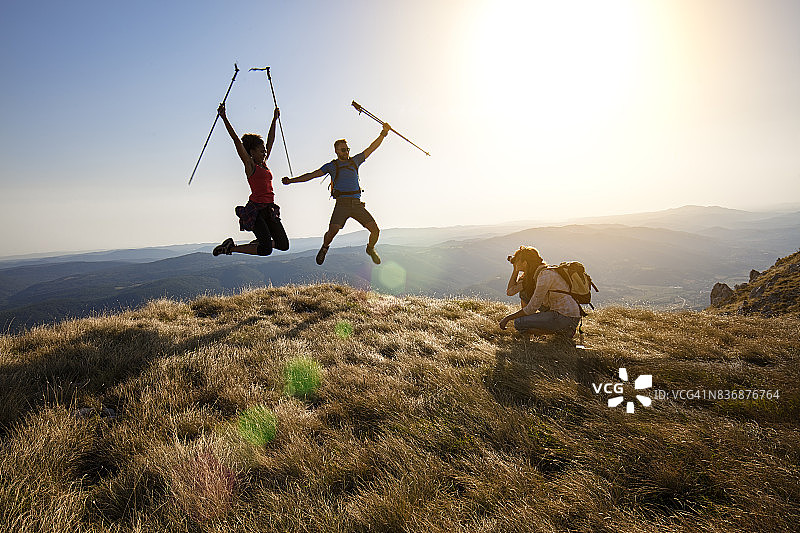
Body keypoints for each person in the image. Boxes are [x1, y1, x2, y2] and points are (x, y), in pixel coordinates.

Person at [282, 122, 392, 265]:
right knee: (332, 232)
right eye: (343, 150)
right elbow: (312, 175)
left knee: (375, 231)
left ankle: (370, 249)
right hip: (342, 205)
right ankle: (324, 247)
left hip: (357, 205)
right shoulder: (332, 166)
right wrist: (291, 181)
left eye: (347, 149)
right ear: (336, 151)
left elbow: (372, 148)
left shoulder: (355, 161)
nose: (346, 152)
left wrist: (383, 133)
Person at [212, 103, 290, 257]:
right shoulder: (250, 166)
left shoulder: (264, 164)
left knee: (283, 245)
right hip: (257, 211)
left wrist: (274, 120)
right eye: (261, 151)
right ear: (252, 152)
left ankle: (261, 242)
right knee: (266, 249)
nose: (265, 152)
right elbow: (236, 141)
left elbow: (271, 140)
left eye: (265, 151)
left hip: (270, 209)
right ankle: (230, 248)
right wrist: (224, 118)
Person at [499, 246, 582, 338]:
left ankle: (562, 331)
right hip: (556, 312)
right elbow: (510, 292)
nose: (515, 263)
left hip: (566, 317)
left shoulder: (544, 276)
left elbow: (532, 308)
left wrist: (507, 318)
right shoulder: (532, 276)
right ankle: (557, 330)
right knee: (524, 295)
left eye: (517, 260)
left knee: (519, 322)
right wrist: (515, 270)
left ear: (525, 263)